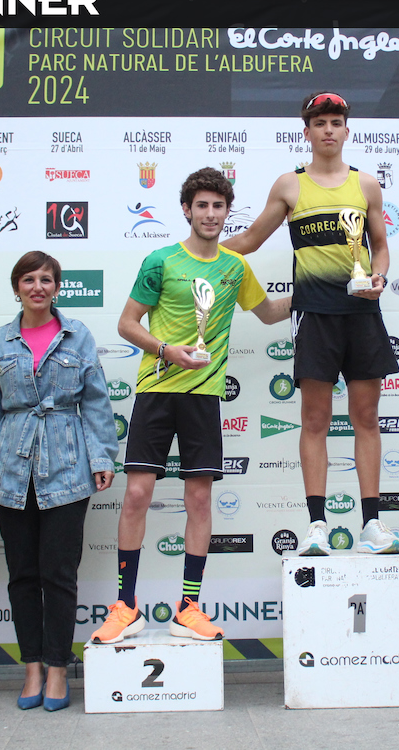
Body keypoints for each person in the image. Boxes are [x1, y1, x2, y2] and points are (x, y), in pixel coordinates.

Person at [93, 167, 291, 645]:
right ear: (187, 210)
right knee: (137, 494)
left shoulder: (235, 267)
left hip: (203, 396)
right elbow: (126, 324)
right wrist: (166, 350)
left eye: (218, 206)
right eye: (201, 205)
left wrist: (315, 292)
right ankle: (125, 606)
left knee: (199, 500)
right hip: (157, 389)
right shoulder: (161, 260)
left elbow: (268, 314)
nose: (210, 214)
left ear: (227, 212)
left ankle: (188, 608)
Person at [223, 91, 399, 556]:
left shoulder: (366, 185)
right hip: (314, 316)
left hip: (361, 313)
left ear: (346, 131)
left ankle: (372, 525)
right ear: (306, 132)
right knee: (315, 420)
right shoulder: (290, 185)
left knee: (366, 418)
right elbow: (251, 238)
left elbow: (380, 246)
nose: (328, 130)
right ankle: (317, 526)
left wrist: (380, 277)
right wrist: (197, 252)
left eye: (335, 122)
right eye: (320, 123)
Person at [0, 251, 119, 711]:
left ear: (57, 287)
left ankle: (56, 668)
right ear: (17, 287)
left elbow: (96, 401)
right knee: (22, 575)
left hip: (68, 466)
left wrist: (102, 456)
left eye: (47, 279)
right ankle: (30, 666)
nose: (38, 287)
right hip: (12, 470)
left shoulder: (78, 335)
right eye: (29, 279)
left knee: (58, 574)